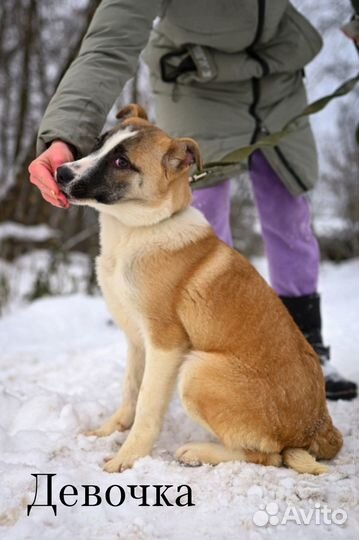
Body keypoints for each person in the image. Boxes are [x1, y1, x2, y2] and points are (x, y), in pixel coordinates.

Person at [29, 0, 357, 400]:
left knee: (289, 212)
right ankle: (203, 346)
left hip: (278, 74)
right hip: (193, 79)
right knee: (202, 212)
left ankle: (308, 347)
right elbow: (109, 40)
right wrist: (64, 133)